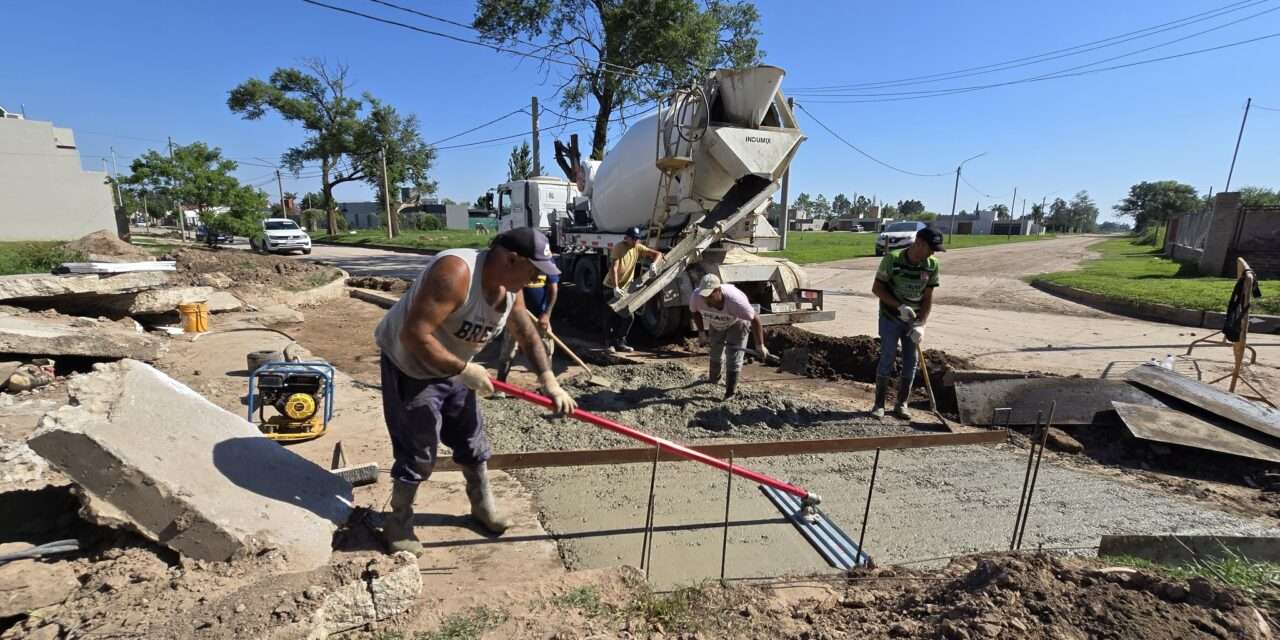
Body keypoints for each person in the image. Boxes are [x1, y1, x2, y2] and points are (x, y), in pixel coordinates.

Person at [373, 227, 577, 555]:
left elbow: (526, 333)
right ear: (511, 259)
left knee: (472, 440)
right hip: (410, 366)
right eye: (533, 272)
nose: (535, 280)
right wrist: (465, 370)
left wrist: (549, 381)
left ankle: (482, 507)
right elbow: (415, 335)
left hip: (454, 364)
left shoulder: (511, 288)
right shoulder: (455, 274)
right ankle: (397, 521)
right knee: (419, 452)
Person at [870, 227, 944, 419]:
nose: (932, 253)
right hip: (890, 317)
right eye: (930, 248)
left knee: (911, 361)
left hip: (914, 320)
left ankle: (901, 404)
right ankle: (879, 405)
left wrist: (921, 324)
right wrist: (900, 306)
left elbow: (928, 297)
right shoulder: (892, 260)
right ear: (919, 243)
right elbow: (877, 288)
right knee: (888, 357)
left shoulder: (931, 264)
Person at [690, 274, 768, 399]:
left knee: (733, 357)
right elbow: (695, 312)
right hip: (716, 323)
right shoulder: (696, 296)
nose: (707, 300)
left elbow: (755, 319)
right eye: (704, 296)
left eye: (710, 296)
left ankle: (730, 392)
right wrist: (701, 333)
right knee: (715, 353)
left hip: (737, 322)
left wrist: (760, 345)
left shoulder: (735, 301)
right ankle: (714, 380)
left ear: (718, 291)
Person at [602, 226, 663, 352]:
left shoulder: (637, 247)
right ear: (627, 238)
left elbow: (658, 254)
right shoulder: (619, 248)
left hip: (626, 288)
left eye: (637, 239)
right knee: (612, 315)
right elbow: (614, 268)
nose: (636, 241)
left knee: (628, 317)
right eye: (634, 239)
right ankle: (609, 343)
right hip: (611, 287)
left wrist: (654, 264)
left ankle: (620, 341)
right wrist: (615, 287)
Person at [495, 270, 558, 382]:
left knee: (546, 350)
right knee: (507, 351)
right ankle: (500, 385)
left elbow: (553, 289)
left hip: (540, 318)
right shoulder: (521, 263)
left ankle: (547, 385)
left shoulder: (548, 264)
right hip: (516, 316)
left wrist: (546, 315)